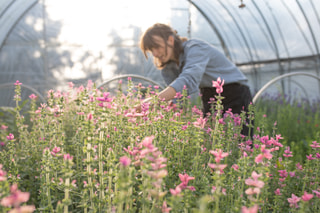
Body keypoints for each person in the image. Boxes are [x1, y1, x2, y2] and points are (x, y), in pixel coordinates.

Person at [138, 23, 253, 137]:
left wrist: (152, 101)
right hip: (209, 94)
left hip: (234, 92)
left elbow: (188, 79)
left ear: (170, 40)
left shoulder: (195, 48)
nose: (155, 54)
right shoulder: (168, 67)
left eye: (157, 47)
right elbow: (177, 99)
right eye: (150, 50)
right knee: (210, 142)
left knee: (239, 141)